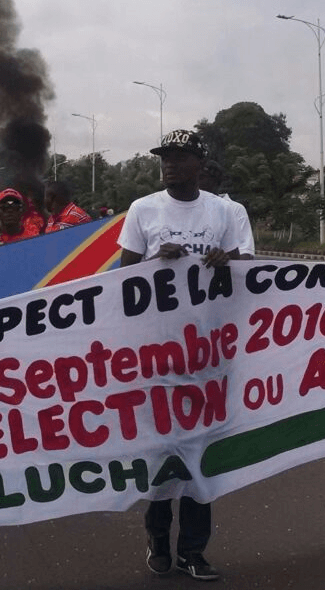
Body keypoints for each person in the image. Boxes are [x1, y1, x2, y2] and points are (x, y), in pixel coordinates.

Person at [118, 129, 242, 582]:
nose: (168, 164)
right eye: (164, 158)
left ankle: (193, 549)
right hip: (156, 353)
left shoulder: (222, 211)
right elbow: (120, 278)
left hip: (208, 353)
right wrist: (153, 262)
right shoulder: (143, 210)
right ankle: (157, 537)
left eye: (178, 157)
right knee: (162, 455)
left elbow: (247, 272)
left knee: (199, 458)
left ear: (199, 165)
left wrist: (226, 260)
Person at [198, 159, 255, 260]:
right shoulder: (188, 206)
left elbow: (246, 252)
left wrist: (225, 261)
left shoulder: (235, 209)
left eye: (201, 177)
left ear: (215, 180)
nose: (196, 181)